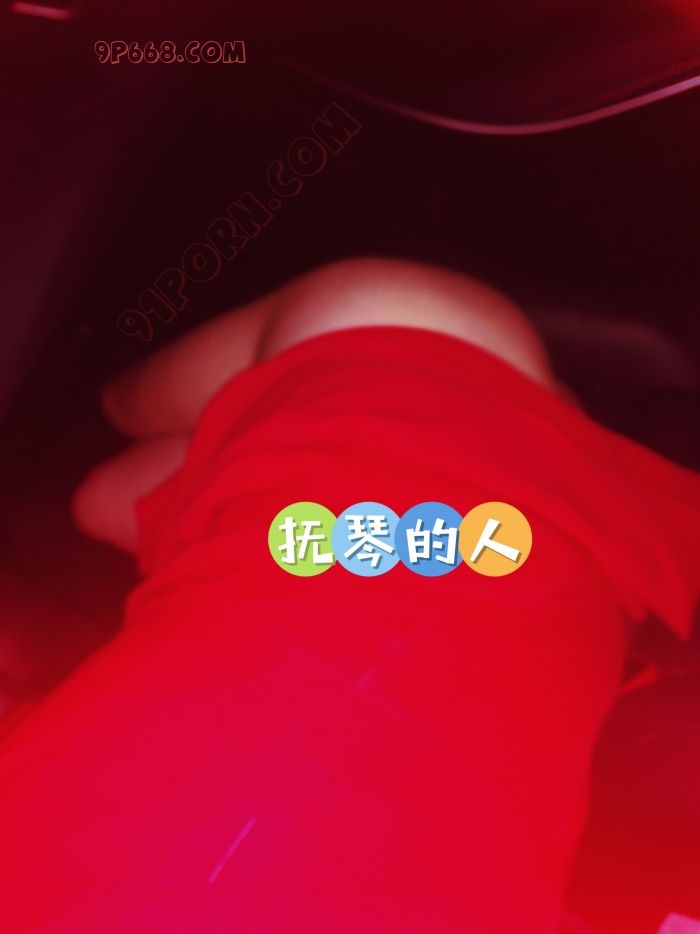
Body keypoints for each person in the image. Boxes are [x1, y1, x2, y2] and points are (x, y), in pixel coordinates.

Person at [0, 258, 697, 932]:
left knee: (99, 496)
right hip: (433, 426)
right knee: (122, 413)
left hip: (542, 594)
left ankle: (249, 438)